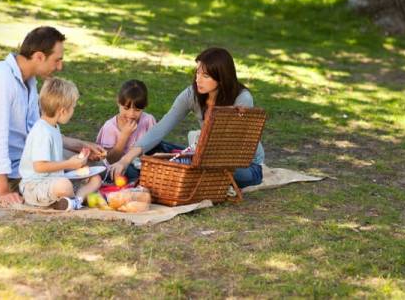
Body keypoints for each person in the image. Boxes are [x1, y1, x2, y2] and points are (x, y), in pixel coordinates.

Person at [0, 26, 106, 206]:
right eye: (56, 60)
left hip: (31, 162)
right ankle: (72, 196)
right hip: (12, 175)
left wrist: (80, 145)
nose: (60, 66)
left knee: (93, 163)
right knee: (68, 181)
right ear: (39, 56)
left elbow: (39, 131)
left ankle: (74, 195)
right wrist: (2, 191)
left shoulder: (29, 81)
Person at [108, 47, 265, 188]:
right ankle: (152, 171)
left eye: (205, 75)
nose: (198, 79)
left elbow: (232, 146)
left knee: (201, 169)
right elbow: (162, 127)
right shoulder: (192, 94)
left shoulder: (242, 99)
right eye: (197, 72)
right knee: (155, 147)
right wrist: (125, 160)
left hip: (242, 165)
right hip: (203, 157)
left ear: (221, 78)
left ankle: (160, 173)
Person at [19, 78, 102, 210]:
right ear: (63, 111)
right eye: (73, 107)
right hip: (34, 186)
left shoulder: (53, 127)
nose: (73, 111)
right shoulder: (42, 131)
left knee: (95, 179)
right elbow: (39, 166)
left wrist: (80, 158)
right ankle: (73, 199)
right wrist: (69, 164)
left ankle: (74, 201)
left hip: (53, 180)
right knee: (64, 185)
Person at [95, 80, 156, 179]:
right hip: (118, 170)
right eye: (126, 108)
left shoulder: (148, 120)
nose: (131, 114)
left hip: (144, 168)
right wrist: (124, 136)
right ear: (118, 102)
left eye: (137, 110)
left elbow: (154, 148)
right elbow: (110, 160)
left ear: (144, 106)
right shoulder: (110, 127)